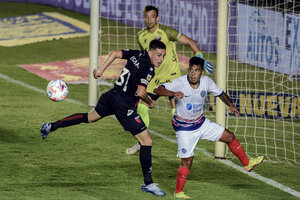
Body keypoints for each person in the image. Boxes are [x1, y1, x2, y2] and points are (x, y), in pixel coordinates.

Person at [40, 39, 167, 197]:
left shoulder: (137, 53)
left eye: (163, 56)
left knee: (89, 117)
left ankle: (51, 126)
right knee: (146, 141)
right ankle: (148, 183)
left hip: (111, 96)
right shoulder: (148, 67)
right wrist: (150, 102)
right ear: (150, 52)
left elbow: (114, 53)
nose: (161, 59)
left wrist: (100, 71)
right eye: (159, 55)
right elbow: (141, 93)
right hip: (124, 106)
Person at [153, 57, 264, 199]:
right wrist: (173, 93)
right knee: (187, 161)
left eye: (197, 70)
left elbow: (220, 94)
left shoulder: (207, 82)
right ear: (188, 70)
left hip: (201, 123)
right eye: (191, 70)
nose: (193, 73)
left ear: (202, 72)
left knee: (229, 136)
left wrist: (230, 104)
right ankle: (178, 192)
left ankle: (247, 164)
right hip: (184, 128)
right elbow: (158, 89)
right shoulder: (179, 82)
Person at [126, 5, 213, 155]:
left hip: (173, 78)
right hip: (154, 79)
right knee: (142, 108)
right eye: (146, 17)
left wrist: (200, 58)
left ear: (157, 18)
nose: (149, 20)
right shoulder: (141, 36)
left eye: (152, 17)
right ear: (143, 18)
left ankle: (187, 146)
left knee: (177, 114)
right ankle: (141, 142)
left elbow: (190, 42)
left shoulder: (167, 32)